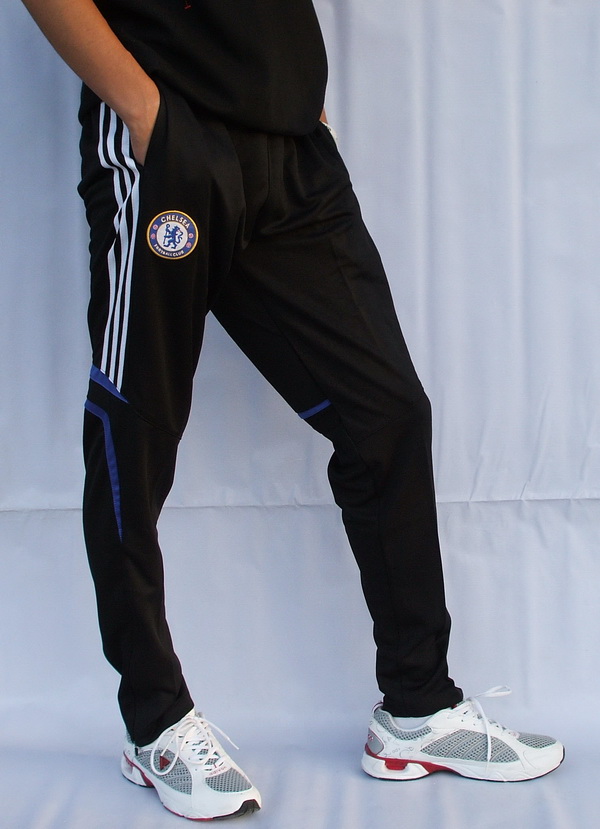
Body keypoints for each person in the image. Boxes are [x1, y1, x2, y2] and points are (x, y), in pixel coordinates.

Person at [21, 0, 564, 821]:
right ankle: (155, 720)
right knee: (135, 437)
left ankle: (417, 707)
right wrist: (142, 109)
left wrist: (300, 95)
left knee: (387, 413)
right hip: (170, 143)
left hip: (292, 147)